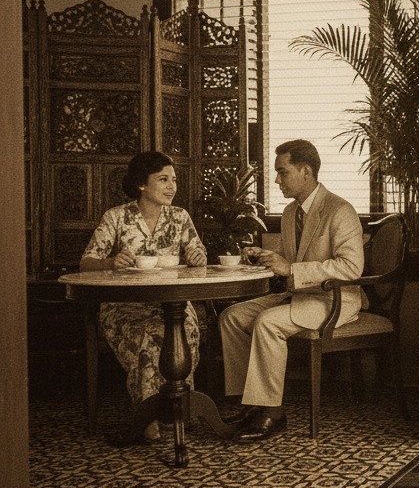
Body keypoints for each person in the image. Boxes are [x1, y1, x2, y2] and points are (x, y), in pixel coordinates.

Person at [219, 139, 364, 443]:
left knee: (267, 322)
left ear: (306, 171)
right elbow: (289, 258)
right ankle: (251, 403)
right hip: (301, 296)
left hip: (335, 299)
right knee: (231, 317)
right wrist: (265, 256)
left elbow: (351, 268)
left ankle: (273, 413)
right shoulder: (289, 213)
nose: (276, 180)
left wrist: (292, 270)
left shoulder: (339, 210)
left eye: (282, 172)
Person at [79, 151, 207, 438]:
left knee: (186, 331)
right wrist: (110, 263)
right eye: (163, 179)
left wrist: (198, 257)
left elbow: (198, 257)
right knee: (149, 336)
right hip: (124, 304)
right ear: (141, 184)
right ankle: (147, 415)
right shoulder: (116, 217)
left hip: (171, 303)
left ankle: (178, 411)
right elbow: (86, 263)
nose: (172, 186)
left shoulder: (180, 217)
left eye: (174, 180)